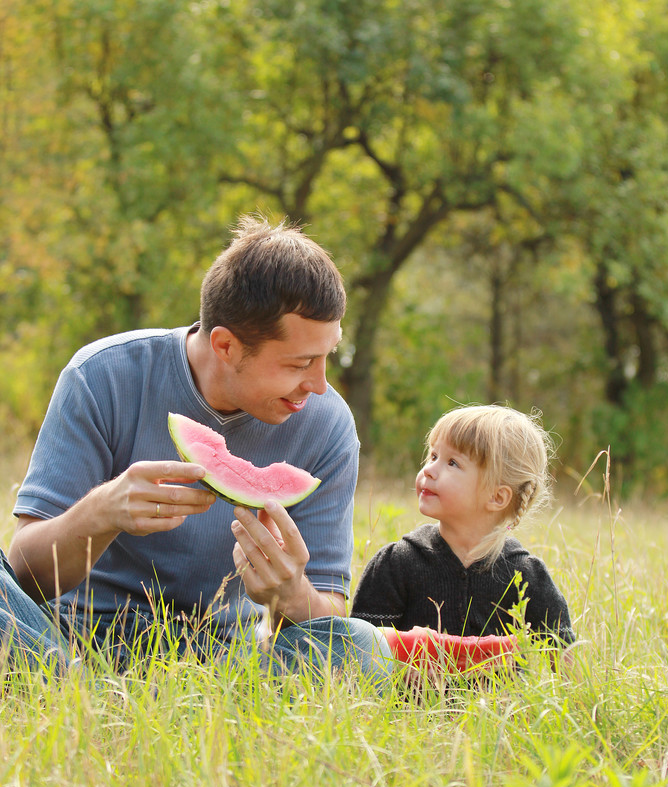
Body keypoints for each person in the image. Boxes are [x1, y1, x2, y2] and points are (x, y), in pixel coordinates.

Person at [3, 215, 391, 680]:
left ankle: (64, 689)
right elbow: (23, 575)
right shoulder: (102, 376)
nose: (320, 384)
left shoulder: (327, 426)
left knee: (361, 646)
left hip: (226, 661)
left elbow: (326, 611)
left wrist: (289, 593)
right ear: (226, 345)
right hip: (73, 640)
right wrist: (101, 512)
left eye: (329, 355)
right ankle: (67, 684)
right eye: (300, 363)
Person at [351, 405, 575, 669]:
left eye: (452, 463)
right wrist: (400, 669)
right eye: (433, 456)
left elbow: (562, 656)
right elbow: (362, 646)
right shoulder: (396, 563)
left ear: (497, 497)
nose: (430, 470)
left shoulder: (525, 574)